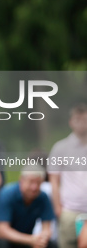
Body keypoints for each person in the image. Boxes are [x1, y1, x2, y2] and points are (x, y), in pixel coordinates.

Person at [47, 103, 87, 248]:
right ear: (71, 122)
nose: (82, 123)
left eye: (85, 119)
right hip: (69, 210)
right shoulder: (60, 147)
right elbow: (54, 180)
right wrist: (58, 208)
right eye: (78, 119)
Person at [0, 165, 56, 248]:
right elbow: (1, 231)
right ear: (21, 180)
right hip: (8, 241)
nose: (34, 187)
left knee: (50, 245)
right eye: (31, 182)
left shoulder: (43, 197)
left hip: (29, 239)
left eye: (38, 183)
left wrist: (42, 239)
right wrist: (30, 240)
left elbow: (47, 228)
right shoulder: (7, 194)